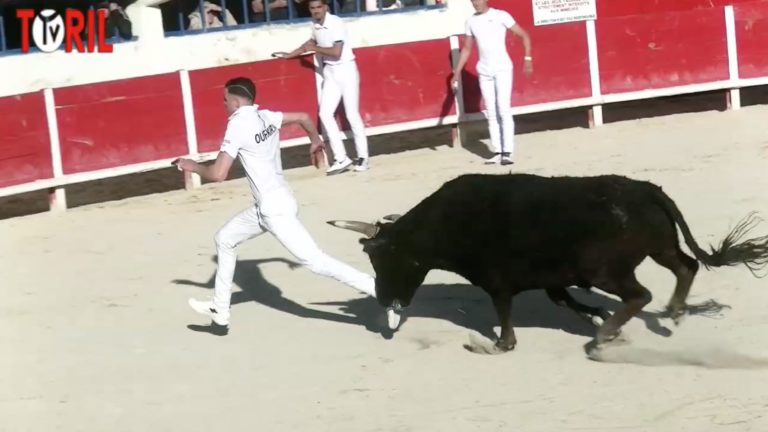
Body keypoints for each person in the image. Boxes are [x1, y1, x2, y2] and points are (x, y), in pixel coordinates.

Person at [174, 77, 399, 335]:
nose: (224, 105)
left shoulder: (237, 125)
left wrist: (192, 166)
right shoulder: (267, 116)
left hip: (273, 210)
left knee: (316, 261)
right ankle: (220, 312)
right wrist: (315, 140)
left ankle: (383, 291)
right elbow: (304, 116)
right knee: (225, 238)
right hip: (277, 201)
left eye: (225, 100)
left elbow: (218, 174)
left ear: (235, 102)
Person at [271, 0, 369, 176]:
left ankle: (363, 157)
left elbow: (336, 52)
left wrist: (313, 48)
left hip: (346, 69)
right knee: (325, 113)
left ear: (326, 8)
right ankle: (341, 158)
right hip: (331, 71)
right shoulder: (315, 24)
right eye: (312, 8)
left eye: (319, 7)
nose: (315, 11)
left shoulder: (336, 23)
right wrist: (289, 55)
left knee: (352, 114)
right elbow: (309, 43)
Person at [451, 0, 533, 166]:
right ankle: (497, 151)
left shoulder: (500, 15)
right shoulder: (471, 21)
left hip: (502, 67)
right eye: (473, 1)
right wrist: (457, 72)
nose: (476, 4)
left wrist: (527, 58)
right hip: (484, 69)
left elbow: (524, 35)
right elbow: (467, 48)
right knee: (491, 110)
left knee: (503, 108)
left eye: (478, 0)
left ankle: (507, 152)